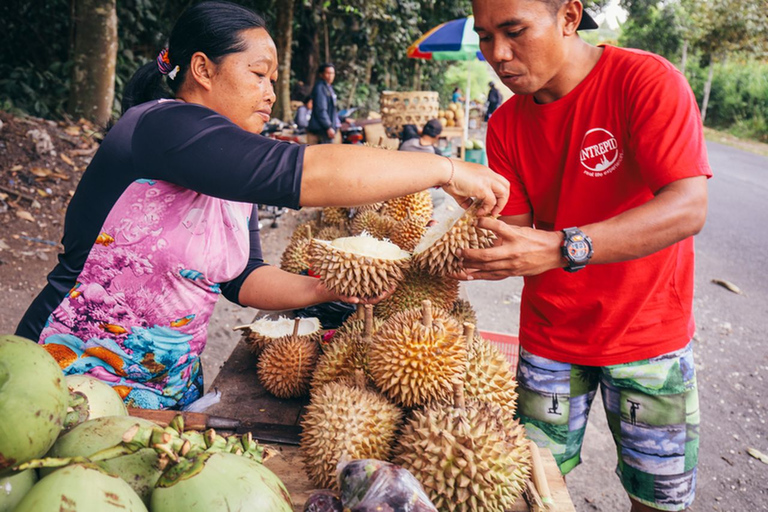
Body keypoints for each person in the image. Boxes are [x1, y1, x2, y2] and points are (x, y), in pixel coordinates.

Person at [15, 1, 509, 411]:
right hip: (66, 377)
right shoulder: (157, 126)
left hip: (165, 395)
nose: (271, 93)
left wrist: (325, 287)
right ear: (203, 69)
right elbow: (299, 173)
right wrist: (445, 168)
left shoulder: (231, 168)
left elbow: (242, 278)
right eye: (258, 74)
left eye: (273, 79)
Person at [462, 1, 711, 511]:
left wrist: (563, 245)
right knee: (529, 488)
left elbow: (688, 207)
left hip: (648, 340)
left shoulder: (645, 81)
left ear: (570, 17)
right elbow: (516, 237)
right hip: (550, 340)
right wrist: (464, 228)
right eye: (485, 37)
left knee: (659, 500)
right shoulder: (506, 123)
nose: (499, 55)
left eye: (514, 31)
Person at [307, 63, 340, 144]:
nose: (330, 76)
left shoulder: (329, 88)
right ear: (321, 74)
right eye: (328, 73)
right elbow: (321, 109)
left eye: (332, 73)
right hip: (322, 130)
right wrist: (328, 127)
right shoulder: (320, 87)